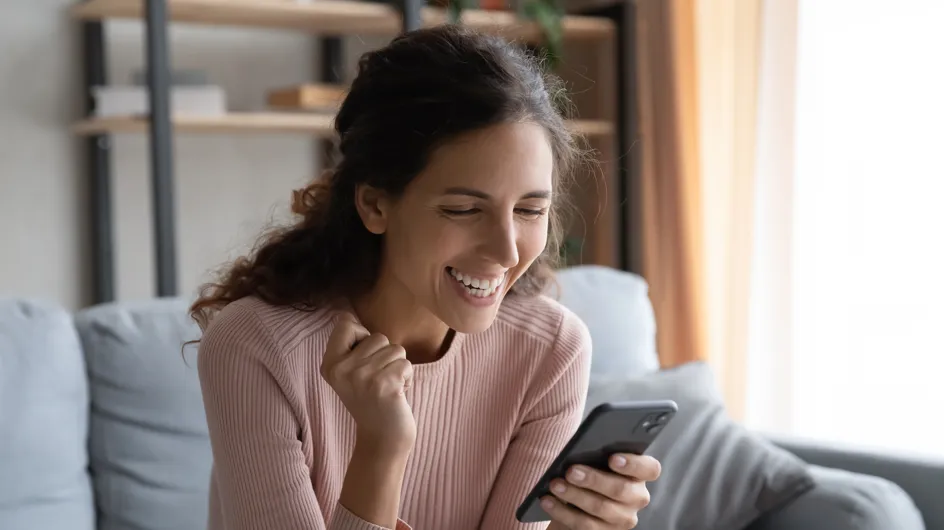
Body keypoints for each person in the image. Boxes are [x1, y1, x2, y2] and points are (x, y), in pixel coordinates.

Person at [189, 24, 661, 530]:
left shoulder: (550, 349)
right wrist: (382, 450)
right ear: (374, 204)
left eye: (529, 210)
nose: (506, 251)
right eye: (462, 209)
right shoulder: (256, 348)